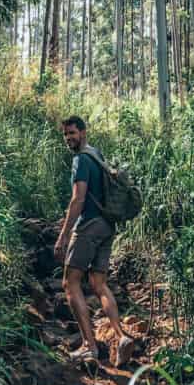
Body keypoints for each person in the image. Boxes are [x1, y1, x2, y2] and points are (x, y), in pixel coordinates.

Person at [54, 115, 135, 367]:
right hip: (107, 226)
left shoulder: (81, 160)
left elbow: (78, 199)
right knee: (98, 283)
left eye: (72, 133)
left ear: (83, 132)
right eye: (65, 134)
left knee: (70, 283)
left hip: (89, 225)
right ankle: (121, 338)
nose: (69, 139)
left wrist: (64, 233)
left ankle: (90, 347)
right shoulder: (96, 154)